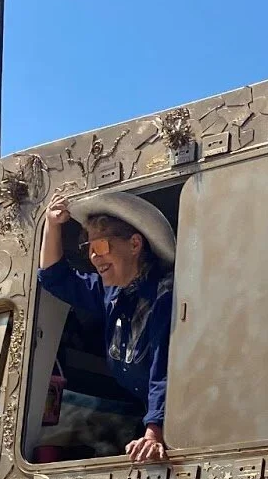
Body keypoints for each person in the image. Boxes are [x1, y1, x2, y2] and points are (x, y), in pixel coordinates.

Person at [38, 192, 176, 462]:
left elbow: (163, 369)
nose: (93, 257)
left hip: (177, 421)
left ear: (134, 244)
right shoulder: (108, 292)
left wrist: (154, 433)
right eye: (87, 248)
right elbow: (54, 278)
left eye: (100, 247)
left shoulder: (164, 295)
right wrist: (51, 225)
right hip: (148, 415)